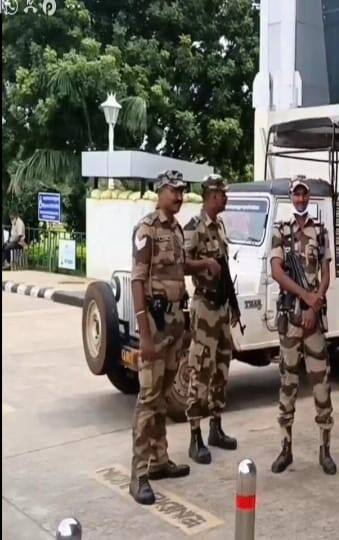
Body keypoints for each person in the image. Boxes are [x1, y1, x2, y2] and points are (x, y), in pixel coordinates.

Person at [128, 170, 191, 505]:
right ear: (160, 191)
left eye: (182, 191)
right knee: (148, 400)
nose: (179, 196)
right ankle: (138, 475)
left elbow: (178, 271)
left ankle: (160, 461)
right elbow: (138, 281)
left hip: (175, 325)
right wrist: (144, 335)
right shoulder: (148, 229)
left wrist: (203, 264)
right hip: (155, 326)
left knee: (164, 396)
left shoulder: (177, 230)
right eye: (174, 191)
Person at [269, 175, 336, 475]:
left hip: (312, 321)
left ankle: (325, 449)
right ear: (290, 197)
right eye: (295, 195)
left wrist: (315, 301)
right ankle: (286, 449)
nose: (299, 200)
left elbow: (326, 275)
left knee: (321, 386)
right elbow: (277, 273)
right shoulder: (280, 232)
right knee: (288, 385)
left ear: (308, 198)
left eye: (303, 195)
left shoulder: (320, 232)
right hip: (291, 320)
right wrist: (305, 297)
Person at [183, 174, 240, 464]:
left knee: (221, 367)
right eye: (223, 193)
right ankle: (195, 436)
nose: (226, 198)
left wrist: (233, 305)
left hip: (221, 308)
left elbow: (226, 269)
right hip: (204, 306)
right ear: (212, 195)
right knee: (200, 369)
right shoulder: (194, 227)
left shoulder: (219, 227)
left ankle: (216, 426)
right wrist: (203, 263)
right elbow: (181, 263)